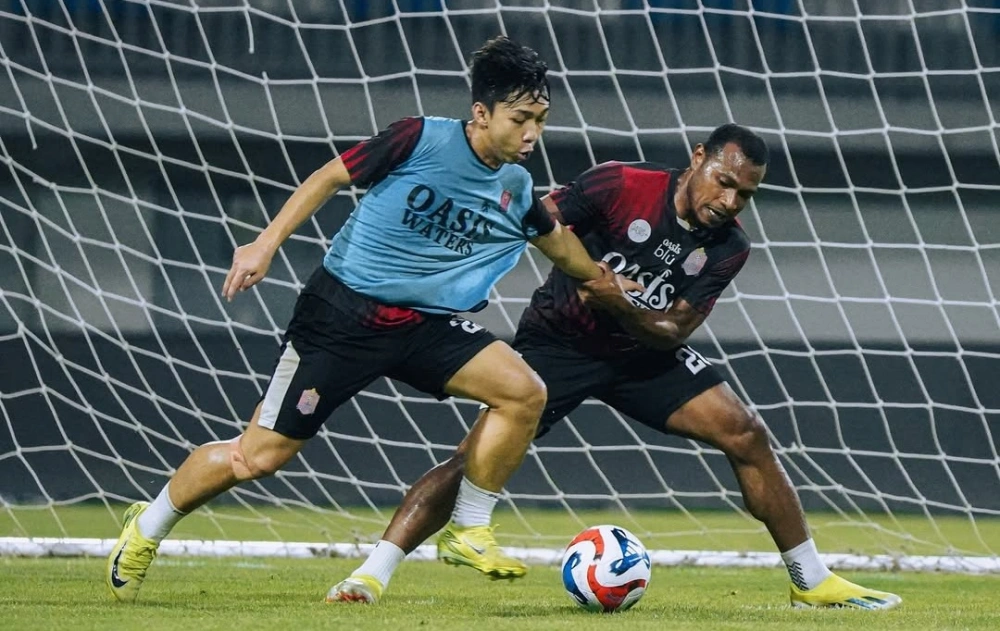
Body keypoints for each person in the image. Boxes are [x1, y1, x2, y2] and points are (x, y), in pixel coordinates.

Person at [105, 36, 623, 604]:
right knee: (257, 457)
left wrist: (602, 278)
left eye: (540, 121)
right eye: (521, 118)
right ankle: (147, 525)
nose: (532, 134)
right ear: (481, 113)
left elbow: (559, 246)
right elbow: (328, 177)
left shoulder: (516, 187)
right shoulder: (419, 137)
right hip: (341, 316)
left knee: (523, 392)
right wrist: (264, 243)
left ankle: (470, 528)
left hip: (424, 324)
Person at [330, 124, 903, 610]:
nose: (730, 202)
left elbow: (674, 329)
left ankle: (812, 579)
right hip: (558, 347)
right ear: (697, 160)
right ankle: (370, 575)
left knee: (747, 433)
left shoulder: (729, 247)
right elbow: (537, 220)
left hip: (643, 356)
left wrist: (616, 299)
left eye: (744, 195)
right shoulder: (622, 183)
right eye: (724, 183)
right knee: (472, 459)